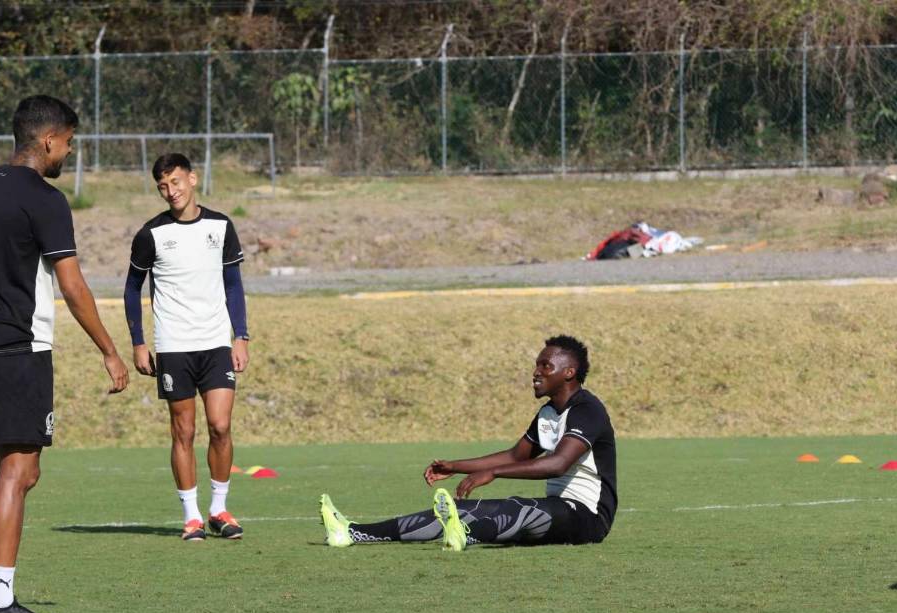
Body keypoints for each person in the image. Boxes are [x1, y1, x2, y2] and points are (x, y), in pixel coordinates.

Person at [0, 95, 129, 613]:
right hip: (17, 349)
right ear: (48, 139)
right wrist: (109, 350)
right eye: (70, 143)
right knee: (20, 469)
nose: (69, 153)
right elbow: (71, 284)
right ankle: (2, 599)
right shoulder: (46, 200)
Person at [319, 335, 617, 550]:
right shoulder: (549, 412)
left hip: (589, 518)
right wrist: (457, 466)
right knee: (468, 508)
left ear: (569, 373)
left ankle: (467, 534)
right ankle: (353, 532)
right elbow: (516, 455)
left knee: (519, 507)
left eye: (545, 366)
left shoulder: (587, 410)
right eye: (537, 365)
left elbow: (558, 463)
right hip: (558, 509)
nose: (536, 372)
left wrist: (494, 473)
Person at [124, 153, 250, 542]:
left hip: (215, 342)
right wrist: (139, 342)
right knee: (184, 430)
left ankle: (219, 509)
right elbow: (132, 288)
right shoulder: (151, 233)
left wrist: (241, 335)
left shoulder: (221, 225)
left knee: (221, 426)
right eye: (162, 186)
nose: (170, 191)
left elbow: (233, 284)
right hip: (174, 346)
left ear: (193, 179)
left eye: (176, 182)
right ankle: (192, 515)